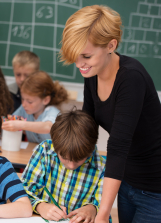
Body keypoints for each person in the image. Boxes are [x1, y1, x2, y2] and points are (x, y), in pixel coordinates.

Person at [60, 5, 161, 223]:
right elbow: (86, 128)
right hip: (125, 180)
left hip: (155, 188)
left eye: (86, 56)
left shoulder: (131, 78)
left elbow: (117, 146)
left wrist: (102, 212)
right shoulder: (92, 72)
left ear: (111, 45)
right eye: (75, 57)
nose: (79, 65)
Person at [22, 110, 110, 223]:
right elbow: (24, 190)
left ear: (91, 150)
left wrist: (93, 209)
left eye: (79, 160)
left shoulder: (102, 167)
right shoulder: (44, 151)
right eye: (64, 158)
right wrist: (40, 206)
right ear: (55, 146)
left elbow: (103, 204)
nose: (71, 165)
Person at [2, 71, 68, 143]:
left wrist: (21, 125)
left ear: (46, 100)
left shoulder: (53, 112)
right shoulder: (24, 109)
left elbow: (48, 127)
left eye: (30, 101)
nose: (24, 104)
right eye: (22, 99)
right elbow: (11, 120)